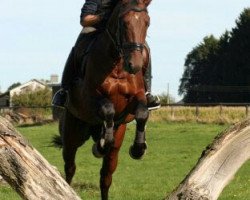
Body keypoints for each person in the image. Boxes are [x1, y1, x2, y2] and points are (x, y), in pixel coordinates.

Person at [52, 0, 160, 110]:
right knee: (78, 46)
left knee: (145, 47)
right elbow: (84, 20)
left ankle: (147, 92)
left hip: (119, 29)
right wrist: (104, 17)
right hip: (96, 28)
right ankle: (64, 91)